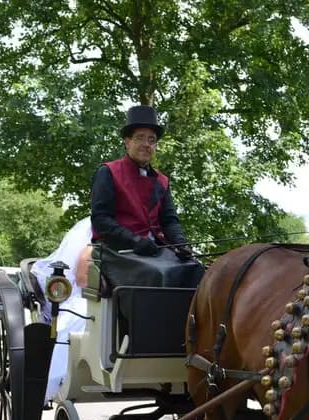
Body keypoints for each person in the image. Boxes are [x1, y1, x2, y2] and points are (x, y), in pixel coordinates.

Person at [90, 105, 192, 260]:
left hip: (157, 250)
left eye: (152, 140)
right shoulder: (108, 172)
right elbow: (101, 220)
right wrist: (135, 240)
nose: (146, 144)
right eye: (140, 138)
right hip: (118, 250)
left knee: (195, 269)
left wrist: (181, 243)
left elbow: (169, 221)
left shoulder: (162, 181)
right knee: (159, 276)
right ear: (127, 142)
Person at [31, 216, 93, 402]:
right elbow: (82, 280)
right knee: (80, 314)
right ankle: (55, 378)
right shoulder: (91, 245)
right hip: (89, 295)